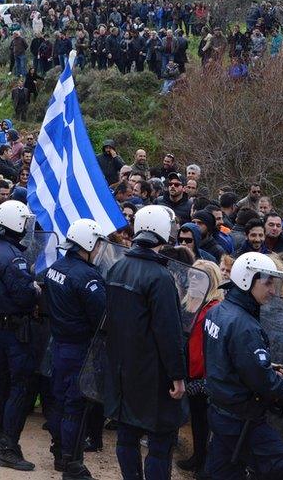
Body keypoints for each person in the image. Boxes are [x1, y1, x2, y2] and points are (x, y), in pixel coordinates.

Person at [104, 205, 186, 480]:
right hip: (152, 373)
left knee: (126, 435)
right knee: (160, 443)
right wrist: (177, 375)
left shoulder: (118, 267)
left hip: (121, 366)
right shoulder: (160, 277)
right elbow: (169, 332)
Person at [203, 252, 283, 479]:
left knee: (224, 471)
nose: (273, 291)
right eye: (267, 283)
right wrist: (281, 384)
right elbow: (263, 381)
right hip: (241, 419)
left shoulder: (219, 310)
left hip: (220, 410)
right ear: (247, 280)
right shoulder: (245, 326)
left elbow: (227, 360)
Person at [0, 199, 41, 471]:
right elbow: (25, 297)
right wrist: (36, 290)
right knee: (19, 387)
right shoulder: (14, 258)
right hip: (14, 330)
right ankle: (9, 449)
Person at [43, 219, 107, 480]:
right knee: (75, 406)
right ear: (89, 243)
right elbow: (103, 316)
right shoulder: (87, 276)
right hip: (80, 349)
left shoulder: (55, 267)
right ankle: (72, 463)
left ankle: (60, 452)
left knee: (60, 400)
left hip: (59, 345)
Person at [178, 259, 223, 476]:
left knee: (207, 421)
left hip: (204, 374)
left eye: (199, 276)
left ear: (211, 281)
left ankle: (205, 463)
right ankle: (198, 456)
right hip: (188, 368)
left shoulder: (214, 307)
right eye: (192, 275)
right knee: (196, 418)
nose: (193, 279)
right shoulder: (189, 302)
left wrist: (206, 378)